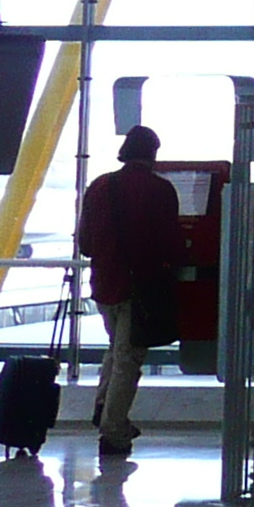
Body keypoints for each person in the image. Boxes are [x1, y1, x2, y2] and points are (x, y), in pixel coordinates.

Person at [76, 125, 181, 459]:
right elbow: (172, 245)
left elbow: (86, 244)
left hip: (104, 284)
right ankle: (114, 430)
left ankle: (104, 406)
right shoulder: (160, 190)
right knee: (128, 359)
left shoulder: (99, 186)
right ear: (152, 154)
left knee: (116, 350)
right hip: (140, 286)